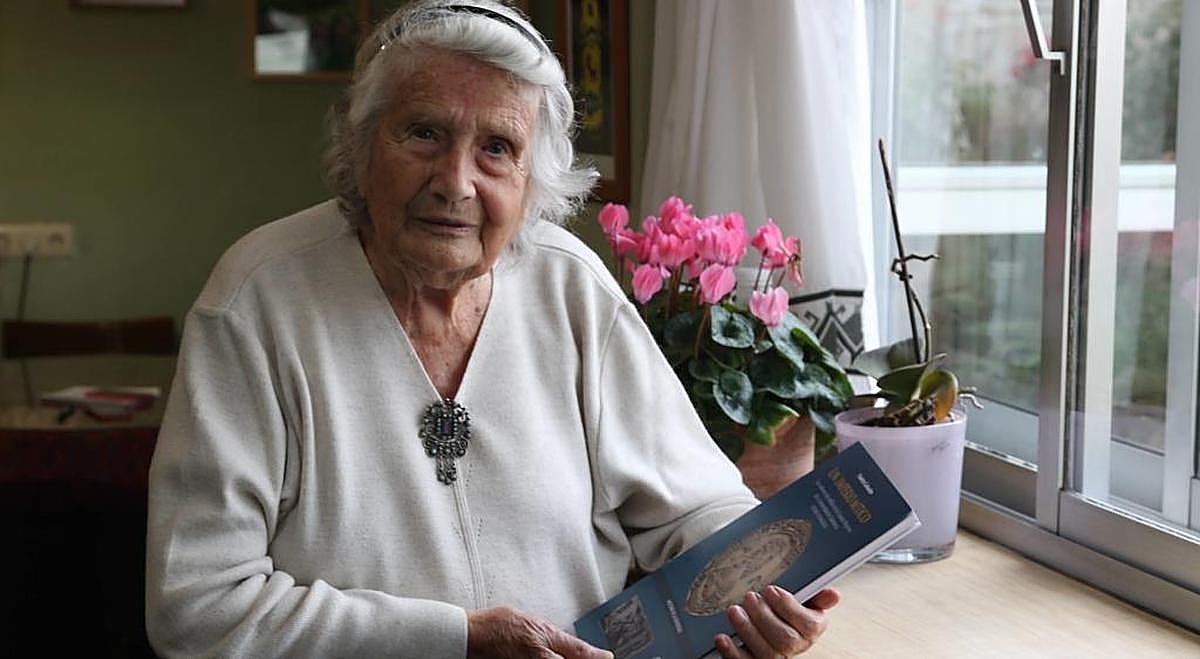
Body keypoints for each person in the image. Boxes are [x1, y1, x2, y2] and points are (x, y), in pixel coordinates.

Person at [145, 1, 838, 657]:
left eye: (497, 148)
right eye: (424, 133)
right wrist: (457, 639)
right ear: (361, 145)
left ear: (533, 181)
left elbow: (696, 505)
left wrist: (765, 587)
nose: (456, 182)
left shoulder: (570, 287)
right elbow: (197, 608)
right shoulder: (257, 300)